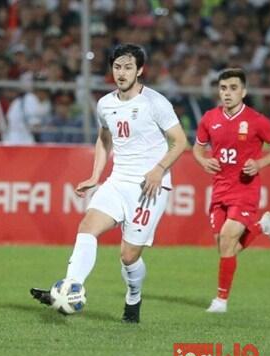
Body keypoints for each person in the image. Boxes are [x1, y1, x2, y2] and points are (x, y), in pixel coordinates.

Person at [30, 44, 188, 323]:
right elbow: (105, 139)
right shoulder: (105, 104)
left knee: (128, 256)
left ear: (140, 70)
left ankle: (133, 297)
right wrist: (95, 175)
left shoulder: (155, 102)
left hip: (149, 188)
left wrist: (159, 169)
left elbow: (180, 140)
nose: (122, 73)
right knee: (87, 227)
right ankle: (70, 286)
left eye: (128, 67)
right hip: (118, 181)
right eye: (117, 67)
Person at [192, 68, 270, 313]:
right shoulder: (209, 118)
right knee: (225, 247)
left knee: (228, 238)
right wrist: (203, 161)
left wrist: (260, 163)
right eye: (223, 88)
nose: (227, 93)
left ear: (243, 92)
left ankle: (221, 301)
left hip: (245, 190)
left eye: (233, 88)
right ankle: (260, 227)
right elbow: (197, 148)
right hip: (219, 190)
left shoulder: (256, 120)